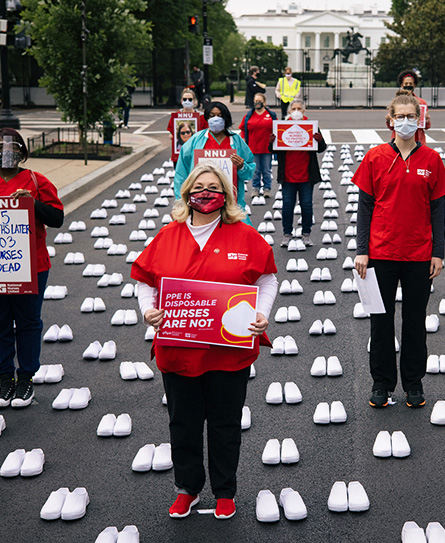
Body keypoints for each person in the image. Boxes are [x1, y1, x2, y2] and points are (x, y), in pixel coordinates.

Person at [131, 161, 278, 520]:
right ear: (187, 194)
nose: (206, 194)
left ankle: (225, 491)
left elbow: (267, 279)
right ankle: (188, 489)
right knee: (183, 422)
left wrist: (263, 313)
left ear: (226, 195)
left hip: (228, 350)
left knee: (226, 422)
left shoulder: (245, 236)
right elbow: (144, 280)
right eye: (199, 188)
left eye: (214, 188)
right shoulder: (169, 235)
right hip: (179, 349)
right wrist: (148, 311)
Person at [353, 94, 445, 409]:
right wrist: (362, 250)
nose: (406, 121)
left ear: (419, 120)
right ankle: (382, 384)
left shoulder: (432, 159)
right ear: (390, 120)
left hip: (419, 255)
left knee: (414, 322)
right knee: (380, 323)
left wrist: (438, 251)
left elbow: (438, 210)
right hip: (381, 253)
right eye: (401, 116)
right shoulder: (375, 157)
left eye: (412, 116)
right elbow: (364, 208)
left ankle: (413, 384)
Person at [0, 128, 64, 409]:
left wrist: (33, 203)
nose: (6, 153)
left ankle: (26, 378)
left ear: (22, 152)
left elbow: (57, 218)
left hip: (32, 265)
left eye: (12, 148)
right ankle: (5, 379)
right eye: (0, 148)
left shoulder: (37, 181)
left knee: (27, 322)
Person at [174, 101, 255, 223]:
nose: (215, 119)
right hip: (201, 200)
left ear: (226, 118)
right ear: (207, 118)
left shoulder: (236, 140)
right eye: (212, 116)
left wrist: (241, 167)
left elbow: (249, 171)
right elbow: (181, 173)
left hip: (230, 202)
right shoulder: (195, 141)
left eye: (220, 115)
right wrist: (181, 202)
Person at [270, 100, 326, 248]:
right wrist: (271, 142)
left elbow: (321, 148)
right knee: (287, 205)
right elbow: (273, 150)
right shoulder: (281, 127)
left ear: (304, 111)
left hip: (306, 175)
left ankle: (306, 234)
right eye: (294, 108)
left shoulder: (311, 126)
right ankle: (287, 234)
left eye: (299, 108)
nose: (296, 111)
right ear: (289, 112)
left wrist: (319, 140)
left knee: (306, 205)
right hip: (288, 175)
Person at [239, 92, 277, 198]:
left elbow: (278, 129)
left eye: (260, 101)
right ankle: (255, 189)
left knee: (266, 170)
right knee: (255, 170)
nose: (257, 103)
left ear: (264, 102)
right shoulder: (249, 116)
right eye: (255, 101)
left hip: (266, 148)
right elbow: (243, 128)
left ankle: (267, 189)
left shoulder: (271, 115)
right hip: (253, 148)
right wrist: (243, 140)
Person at [385, 70, 431, 144]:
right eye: (406, 83)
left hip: (418, 139)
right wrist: (388, 120)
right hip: (399, 139)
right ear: (401, 85)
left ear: (414, 85)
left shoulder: (422, 102)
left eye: (410, 83)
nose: (408, 85)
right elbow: (391, 127)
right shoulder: (396, 102)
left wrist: (427, 120)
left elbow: (426, 126)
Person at [166, 89, 208, 167]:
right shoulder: (175, 117)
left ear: (195, 101)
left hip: (197, 156)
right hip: (179, 157)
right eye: (185, 99)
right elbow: (172, 134)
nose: (187, 101)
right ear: (181, 100)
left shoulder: (202, 117)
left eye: (190, 99)